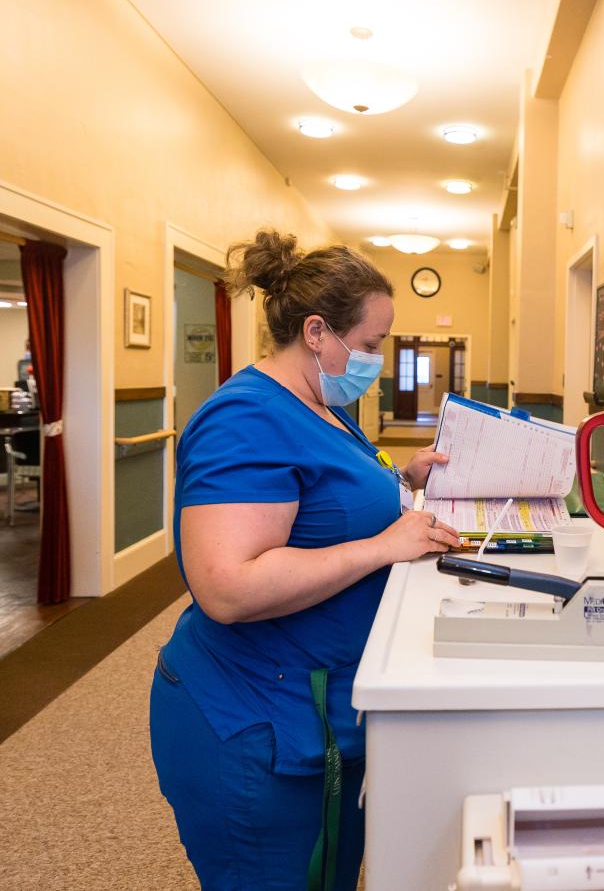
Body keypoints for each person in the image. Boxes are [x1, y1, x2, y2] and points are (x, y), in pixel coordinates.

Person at [150, 229, 460, 890]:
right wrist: (382, 546)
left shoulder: (322, 405)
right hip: (255, 718)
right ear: (317, 331)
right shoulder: (246, 419)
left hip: (320, 707)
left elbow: (323, 503)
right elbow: (227, 587)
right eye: (372, 345)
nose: (376, 359)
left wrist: (402, 482)